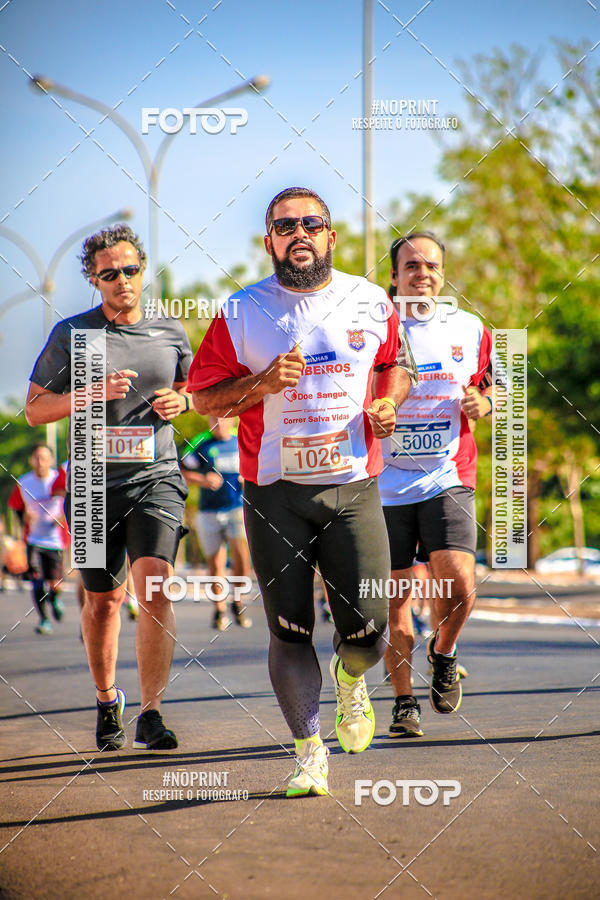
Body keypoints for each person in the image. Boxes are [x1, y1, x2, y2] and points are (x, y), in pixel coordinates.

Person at [188, 187, 415, 797]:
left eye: (311, 223)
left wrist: (387, 402)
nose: (299, 234)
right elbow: (204, 398)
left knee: (367, 628)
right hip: (273, 494)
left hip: (353, 488)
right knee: (288, 629)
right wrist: (260, 384)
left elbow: (396, 365)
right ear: (268, 242)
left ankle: (351, 676)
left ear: (331, 236)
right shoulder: (240, 311)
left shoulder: (369, 301)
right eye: (284, 226)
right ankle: (309, 747)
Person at [25, 223, 192, 751]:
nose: (122, 280)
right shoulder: (75, 335)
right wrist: (89, 392)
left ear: (143, 271)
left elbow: (194, 388)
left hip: (157, 477)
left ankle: (151, 713)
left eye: (130, 270)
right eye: (109, 274)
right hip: (95, 484)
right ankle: (106, 700)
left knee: (155, 588)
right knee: (103, 603)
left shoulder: (170, 332)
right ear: (94, 281)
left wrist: (183, 402)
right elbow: (33, 410)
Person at [380, 231, 492, 738]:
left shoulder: (469, 328)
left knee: (462, 585)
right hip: (382, 484)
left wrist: (483, 404)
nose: (422, 273)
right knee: (395, 601)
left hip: (448, 473)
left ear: (442, 274)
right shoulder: (371, 325)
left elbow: (496, 383)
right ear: (394, 276)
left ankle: (443, 650)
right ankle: (404, 704)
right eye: (411, 266)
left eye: (431, 266)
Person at [180, 415, 252, 630]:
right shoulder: (201, 442)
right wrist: (203, 480)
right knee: (216, 562)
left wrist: (246, 478)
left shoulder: (240, 440)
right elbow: (182, 470)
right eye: (214, 419)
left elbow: (257, 464)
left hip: (236, 507)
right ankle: (220, 610)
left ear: (232, 421)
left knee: (241, 558)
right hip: (208, 510)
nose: (219, 423)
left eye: (223, 419)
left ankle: (238, 602)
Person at [8, 443, 66, 634]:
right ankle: (44, 619)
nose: (41, 462)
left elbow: (73, 503)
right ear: (32, 460)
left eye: (44, 458)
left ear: (51, 460)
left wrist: (62, 519)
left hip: (55, 539)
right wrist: (24, 517)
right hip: (34, 539)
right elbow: (16, 507)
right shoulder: (24, 482)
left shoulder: (58, 479)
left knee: (55, 583)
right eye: (37, 458)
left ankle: (55, 598)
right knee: (37, 581)